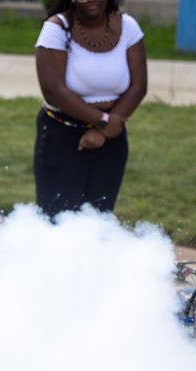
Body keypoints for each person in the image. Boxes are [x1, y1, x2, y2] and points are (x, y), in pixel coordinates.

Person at [33, 0, 147, 219]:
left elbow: (138, 86)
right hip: (62, 135)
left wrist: (103, 130)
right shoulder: (56, 29)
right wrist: (103, 121)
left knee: (99, 221)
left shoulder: (128, 26)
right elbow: (53, 90)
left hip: (111, 138)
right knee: (57, 220)